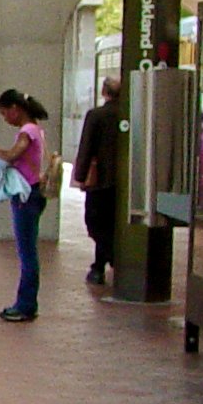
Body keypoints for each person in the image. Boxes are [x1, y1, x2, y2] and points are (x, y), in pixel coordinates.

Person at [0, 89, 51, 321]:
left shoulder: (27, 131)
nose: (5, 119)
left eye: (5, 113)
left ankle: (25, 305)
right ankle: (26, 303)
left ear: (15, 108)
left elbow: (15, 154)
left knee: (26, 252)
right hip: (34, 193)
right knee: (28, 250)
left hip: (26, 196)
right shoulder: (36, 129)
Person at [72, 75, 122, 285]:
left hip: (100, 181)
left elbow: (86, 147)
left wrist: (80, 176)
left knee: (95, 223)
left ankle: (107, 260)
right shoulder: (127, 114)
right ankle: (104, 262)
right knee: (112, 224)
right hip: (123, 183)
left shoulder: (96, 115)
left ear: (104, 92)